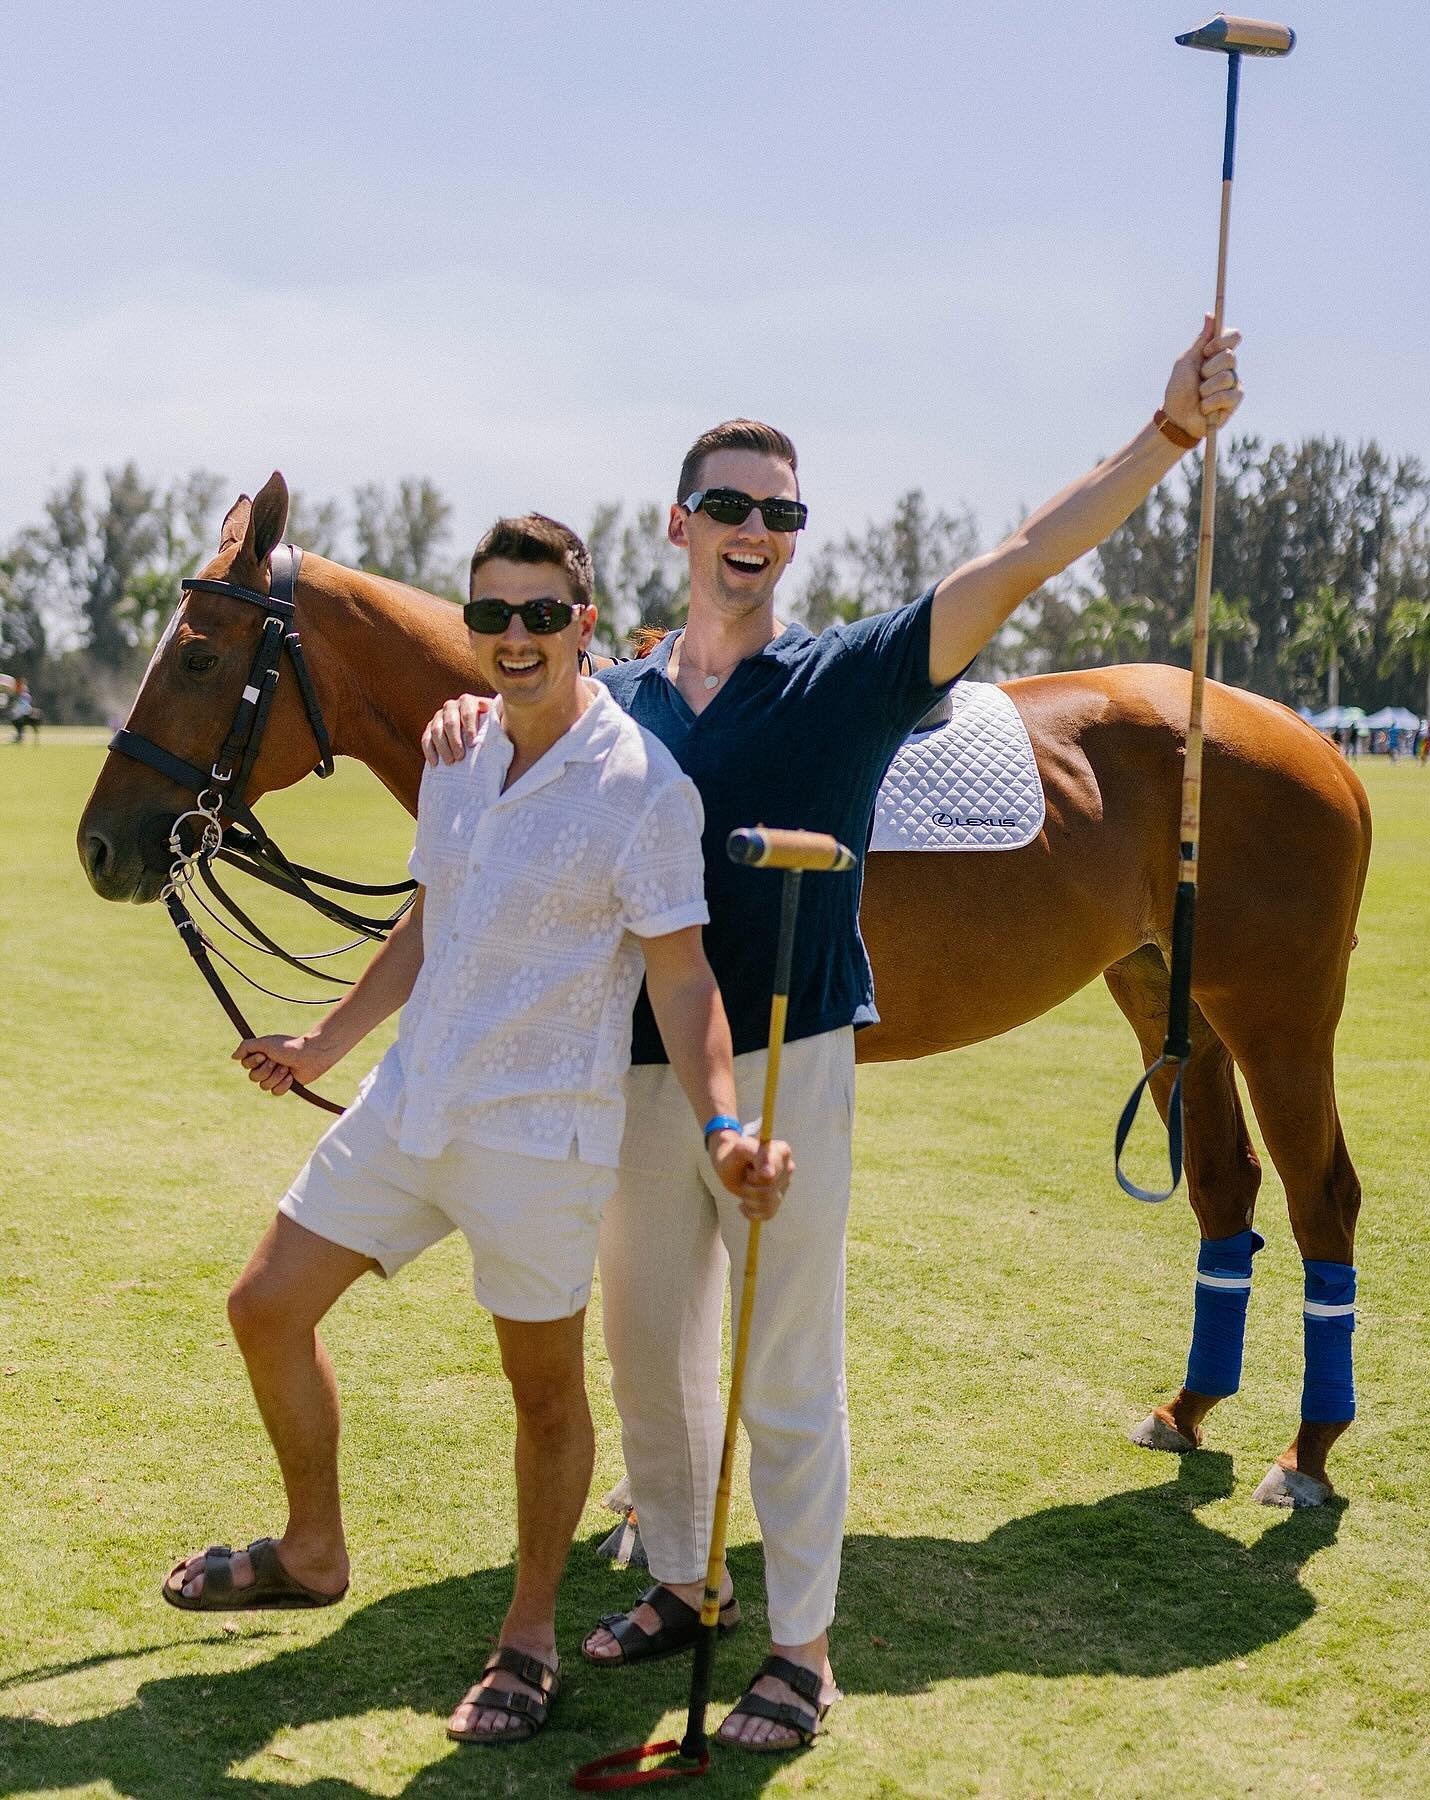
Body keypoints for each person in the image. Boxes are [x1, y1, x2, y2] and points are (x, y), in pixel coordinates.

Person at [423, 320, 1245, 1752]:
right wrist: (461, 713)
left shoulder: (854, 676)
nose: (755, 531)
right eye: (730, 505)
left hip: (794, 1058)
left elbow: (1026, 555)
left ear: (796, 540)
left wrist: (1165, 438)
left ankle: (800, 1650)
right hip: (638, 1061)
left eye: (781, 513)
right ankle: (684, 1579)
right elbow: (503, 710)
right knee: (647, 1347)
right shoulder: (608, 701)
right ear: (678, 524)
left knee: (784, 1359)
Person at [161, 513, 793, 1751]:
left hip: (541, 1134)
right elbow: (426, 923)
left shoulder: (646, 791)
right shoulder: (456, 756)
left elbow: (683, 981)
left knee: (543, 1395)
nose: (515, 637)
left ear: (584, 627)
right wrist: (320, 1048)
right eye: (492, 615)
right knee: (264, 1308)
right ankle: (313, 1547)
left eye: (541, 614)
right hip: (411, 1103)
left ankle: (530, 1637)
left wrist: (725, 1125)